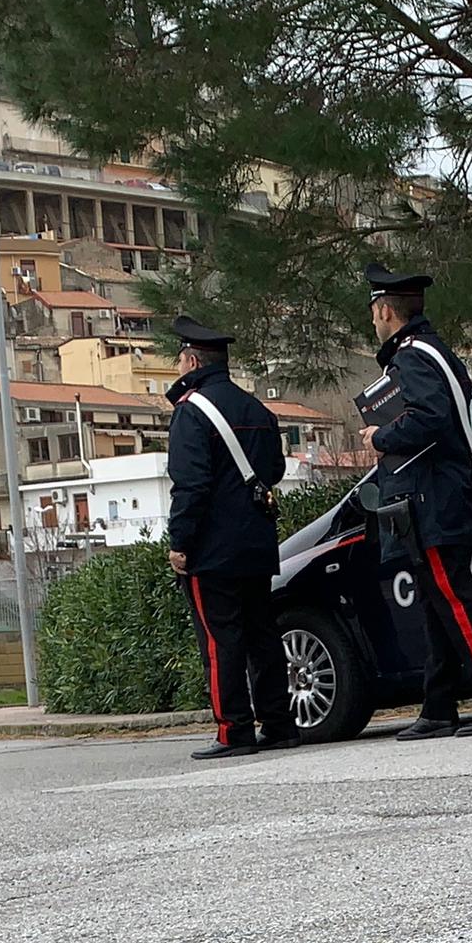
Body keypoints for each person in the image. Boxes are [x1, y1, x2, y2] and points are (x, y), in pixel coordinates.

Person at [359, 263, 472, 740]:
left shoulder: (411, 358)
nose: (374, 322)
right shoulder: (435, 351)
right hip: (438, 490)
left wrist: (380, 436)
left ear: (387, 310)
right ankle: (439, 705)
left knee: (454, 598)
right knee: (437, 603)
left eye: (375, 313)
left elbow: (429, 418)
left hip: (429, 493)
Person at [166, 315, 296, 760]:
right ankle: (279, 723)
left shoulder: (191, 411)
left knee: (221, 640)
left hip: (212, 549)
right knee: (262, 634)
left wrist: (179, 541)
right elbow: (275, 472)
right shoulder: (258, 409)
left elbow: (190, 485)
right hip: (257, 542)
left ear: (191, 360)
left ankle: (233, 729)